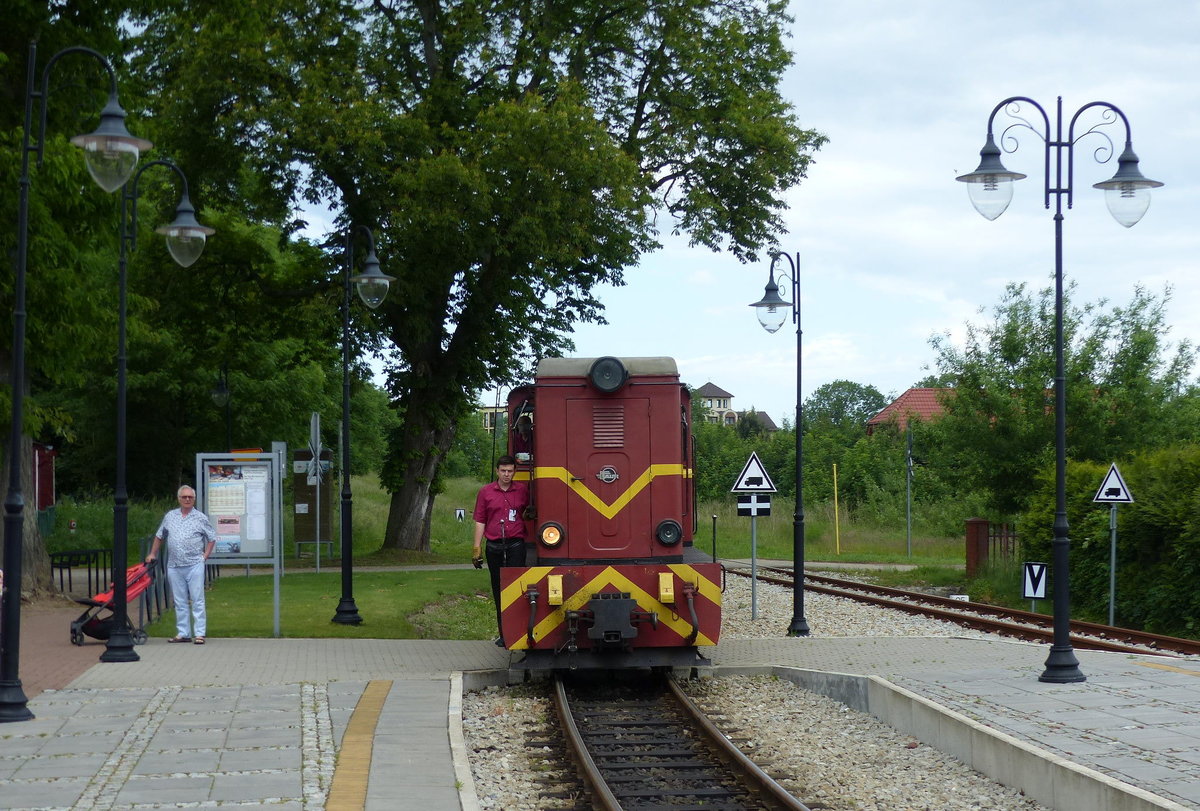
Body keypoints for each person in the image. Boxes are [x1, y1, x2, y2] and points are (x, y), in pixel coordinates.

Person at [145, 485, 217, 645]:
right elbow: (159, 536)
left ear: (194, 499)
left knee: (197, 599)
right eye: (184, 497)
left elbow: (212, 538)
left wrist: (204, 556)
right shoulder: (170, 516)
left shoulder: (200, 517)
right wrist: (152, 553)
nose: (187, 499)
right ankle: (183, 632)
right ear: (179, 499)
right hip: (174, 565)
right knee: (179, 600)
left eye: (190, 497)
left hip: (194, 564)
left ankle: (200, 633)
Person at [472, 455, 529, 646]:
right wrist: (477, 547)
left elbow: (530, 511)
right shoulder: (486, 492)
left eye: (510, 471)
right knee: (498, 589)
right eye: (503, 471)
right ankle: (504, 634)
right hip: (494, 545)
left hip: (515, 545)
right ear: (497, 471)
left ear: (514, 472)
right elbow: (480, 519)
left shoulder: (522, 490)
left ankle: (519, 631)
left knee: (516, 588)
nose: (506, 474)